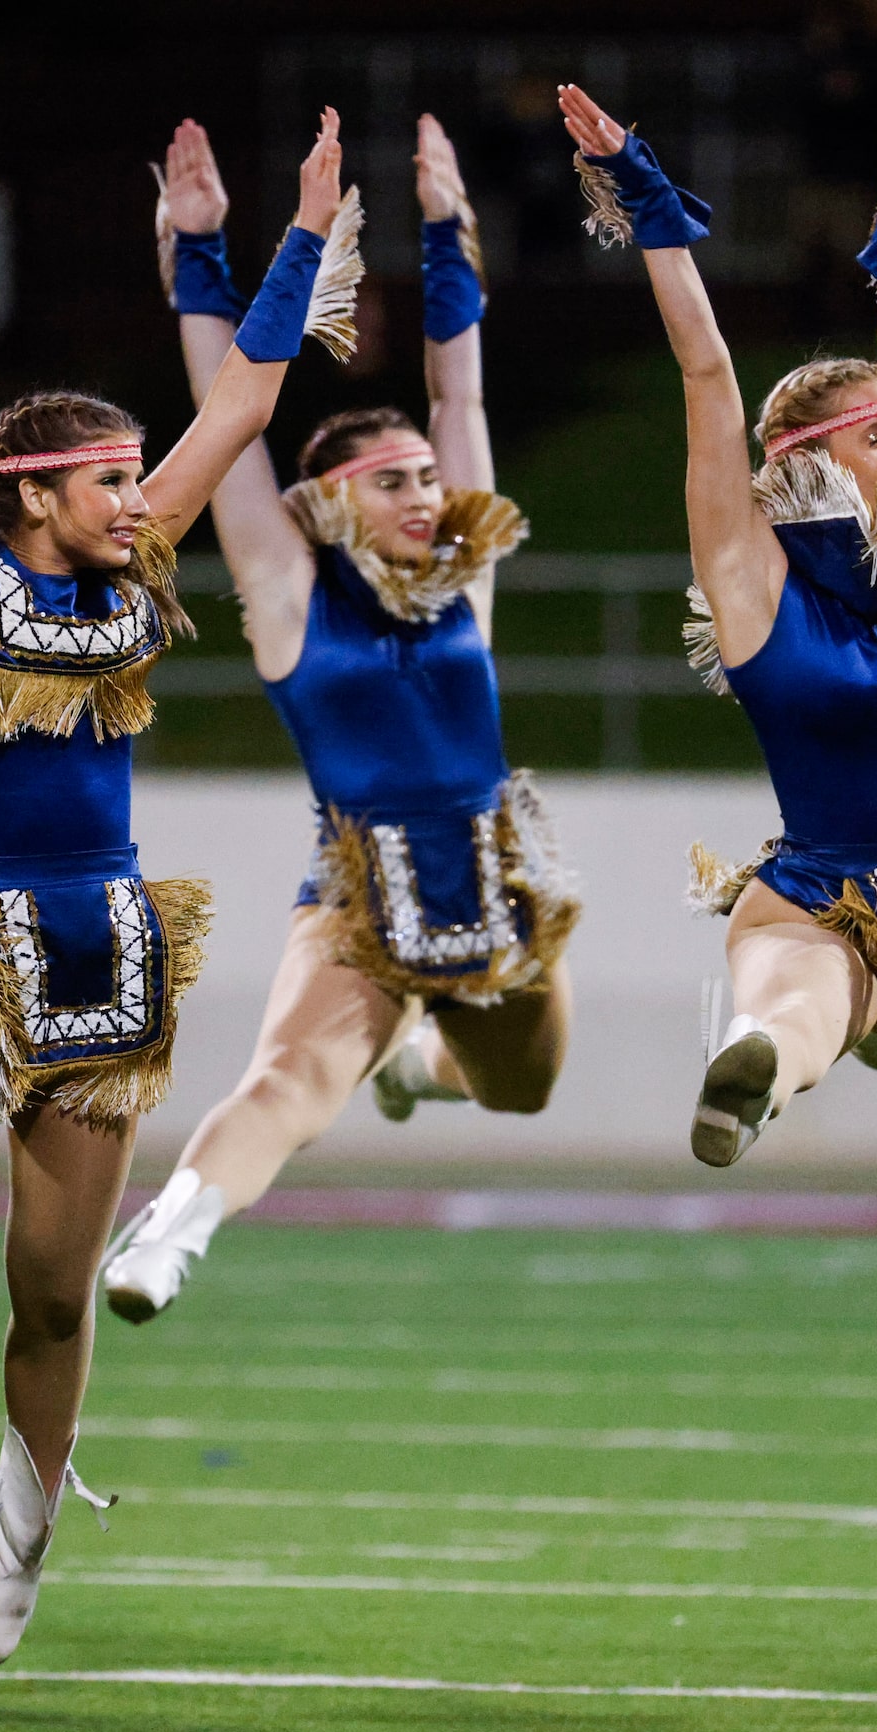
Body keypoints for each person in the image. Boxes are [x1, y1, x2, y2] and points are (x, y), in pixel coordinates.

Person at [0, 110, 354, 1699]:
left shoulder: (131, 562)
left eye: (130, 478)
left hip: (102, 934)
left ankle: (20, 1510)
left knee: (49, 1290)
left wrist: (286, 234)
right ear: (31, 496)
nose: (131, 500)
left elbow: (241, 397)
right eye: (105, 480)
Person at [555, 68, 877, 1168]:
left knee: (864, 1008)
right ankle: (758, 1057)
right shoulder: (754, 582)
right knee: (799, 1011)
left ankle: (861, 1024)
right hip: (810, 887)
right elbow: (705, 373)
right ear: (805, 462)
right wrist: (644, 198)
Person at [100, 112, 569, 1323]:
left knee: (521, 1091)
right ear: (327, 504)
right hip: (359, 889)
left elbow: (455, 383)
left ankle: (420, 1060)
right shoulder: (286, 592)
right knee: (292, 1080)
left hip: (491, 878)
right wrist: (199, 257)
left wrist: (450, 228)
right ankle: (171, 1227)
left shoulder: (466, 576)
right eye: (393, 481)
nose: (425, 495)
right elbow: (225, 427)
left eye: (427, 475)